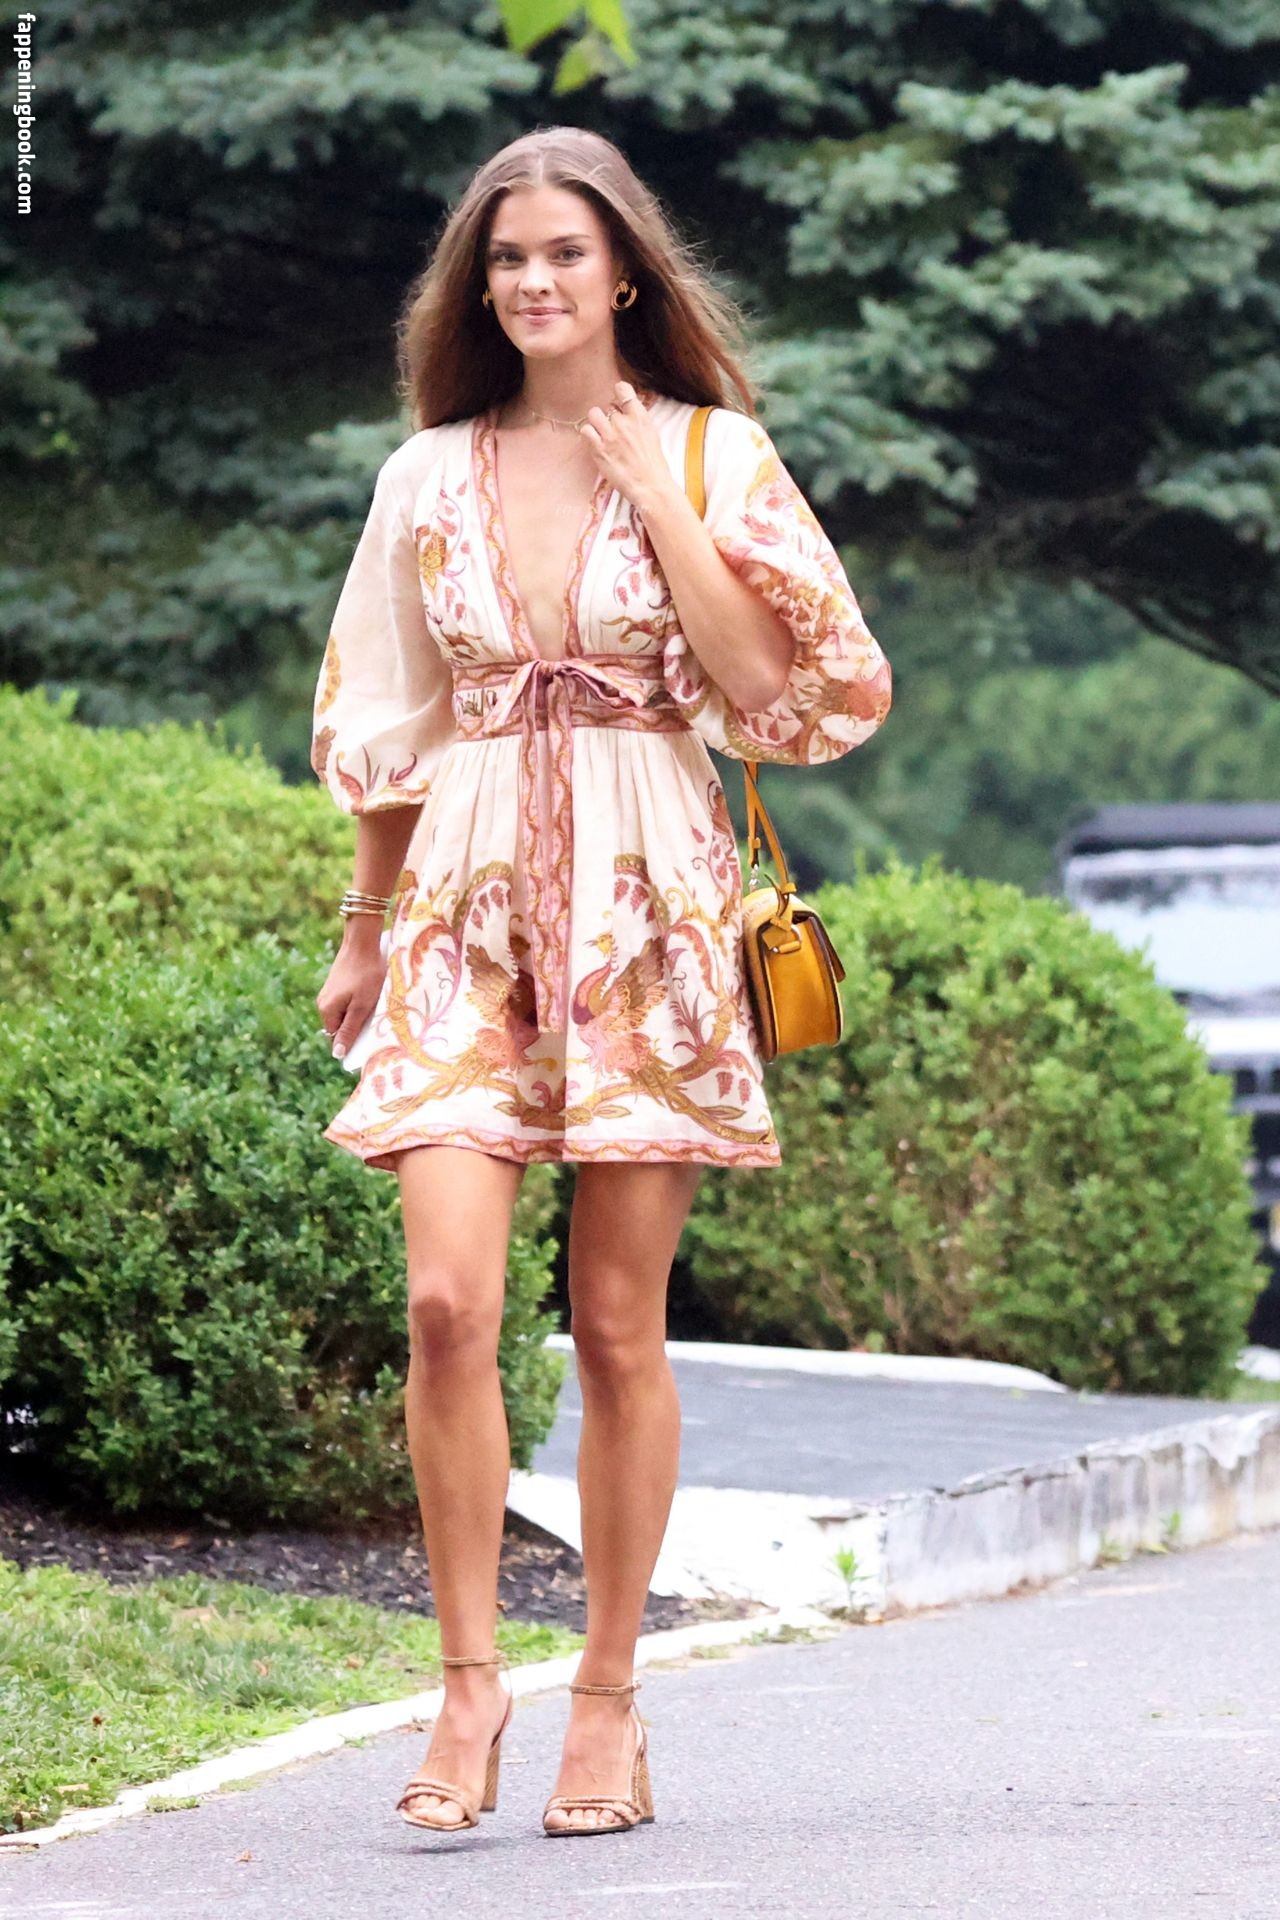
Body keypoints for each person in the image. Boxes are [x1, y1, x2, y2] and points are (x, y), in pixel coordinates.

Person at [312, 125, 892, 1838]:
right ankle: (468, 1682)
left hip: (649, 903)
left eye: (565, 251)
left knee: (621, 1325)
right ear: (477, 285)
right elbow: (391, 710)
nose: (534, 280)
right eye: (507, 258)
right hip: (465, 907)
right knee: (447, 1305)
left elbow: (783, 693)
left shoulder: (714, 453)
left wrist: (657, 493)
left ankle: (611, 1701)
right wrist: (363, 921)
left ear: (625, 271)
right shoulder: (427, 475)